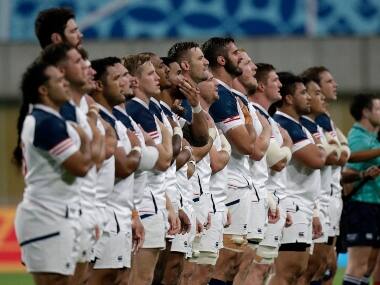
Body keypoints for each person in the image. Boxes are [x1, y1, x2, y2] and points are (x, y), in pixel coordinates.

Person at [14, 59, 92, 285]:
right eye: (59, 80)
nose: (65, 84)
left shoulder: (50, 119)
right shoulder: (46, 122)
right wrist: (86, 140)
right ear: (43, 90)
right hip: (46, 215)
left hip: (58, 213)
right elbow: (81, 166)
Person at [41, 43, 106, 285]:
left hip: (82, 209)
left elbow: (95, 160)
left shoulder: (79, 110)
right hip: (61, 212)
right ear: (61, 71)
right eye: (80, 63)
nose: (89, 69)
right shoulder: (60, 112)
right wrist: (95, 125)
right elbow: (90, 161)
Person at [201, 36, 256, 285]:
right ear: (222, 60)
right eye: (236, 54)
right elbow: (246, 146)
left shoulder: (229, 94)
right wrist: (249, 124)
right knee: (222, 265)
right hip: (228, 184)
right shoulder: (220, 95)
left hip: (233, 184)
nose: (241, 60)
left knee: (231, 265)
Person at [269, 72, 326, 285]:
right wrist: (321, 147)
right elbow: (318, 159)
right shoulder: (286, 125)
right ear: (289, 98)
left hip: (303, 205)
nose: (309, 97)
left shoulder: (298, 125)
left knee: (298, 271)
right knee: (286, 271)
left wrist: (314, 211)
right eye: (303, 93)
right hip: (292, 203)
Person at [124, 53, 174, 285]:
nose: (157, 77)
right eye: (151, 73)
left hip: (153, 200)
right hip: (144, 203)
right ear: (135, 80)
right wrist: (165, 134)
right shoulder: (138, 112)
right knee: (141, 278)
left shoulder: (146, 110)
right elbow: (163, 161)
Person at [341, 94, 380, 285]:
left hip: (374, 203)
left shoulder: (373, 137)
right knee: (358, 264)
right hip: (362, 204)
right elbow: (346, 172)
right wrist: (363, 175)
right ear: (365, 112)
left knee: (369, 265)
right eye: (378, 109)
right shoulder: (357, 138)